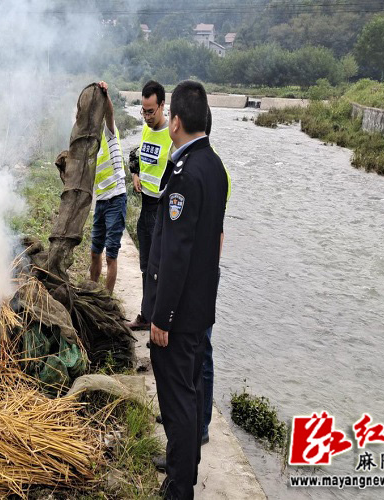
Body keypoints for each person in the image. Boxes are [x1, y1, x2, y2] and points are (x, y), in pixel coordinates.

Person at [144, 81, 228, 500]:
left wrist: (162, 317)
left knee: (177, 403)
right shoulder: (214, 167)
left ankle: (179, 489)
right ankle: (185, 470)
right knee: (191, 396)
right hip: (200, 307)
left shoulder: (185, 174)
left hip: (178, 314)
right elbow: (213, 241)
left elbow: (176, 254)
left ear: (175, 121)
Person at [126, 80, 174, 330]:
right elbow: (136, 153)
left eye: (150, 111)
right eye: (143, 111)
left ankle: (160, 320)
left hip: (161, 210)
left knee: (160, 269)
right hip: (146, 208)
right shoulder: (147, 129)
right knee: (145, 265)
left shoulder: (173, 134)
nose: (146, 117)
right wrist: (135, 173)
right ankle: (146, 315)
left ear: (162, 105)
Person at [89, 81, 127, 294]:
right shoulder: (90, 142)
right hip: (101, 201)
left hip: (116, 199)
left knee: (111, 255)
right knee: (95, 252)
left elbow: (110, 113)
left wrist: (105, 95)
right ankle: (92, 291)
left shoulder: (109, 132)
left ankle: (107, 299)